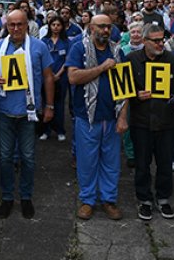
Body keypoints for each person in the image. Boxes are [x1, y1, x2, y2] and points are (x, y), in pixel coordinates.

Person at [0, 10, 55, 219]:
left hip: (29, 112)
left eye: (20, 24)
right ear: (6, 26)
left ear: (27, 24)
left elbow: (48, 77)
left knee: (28, 157)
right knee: (5, 157)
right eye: (12, 25)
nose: (16, 28)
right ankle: (8, 196)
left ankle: (26, 196)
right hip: (4, 110)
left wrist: (50, 106)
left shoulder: (39, 47)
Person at [66, 15, 129, 220]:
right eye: (102, 26)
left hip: (111, 116)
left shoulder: (118, 51)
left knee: (111, 162)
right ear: (92, 27)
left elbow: (126, 89)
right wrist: (102, 68)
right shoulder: (79, 48)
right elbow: (73, 77)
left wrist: (122, 117)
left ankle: (109, 200)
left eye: (109, 27)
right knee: (87, 161)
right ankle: (87, 200)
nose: (106, 30)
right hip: (87, 116)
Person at [128, 23, 174, 220]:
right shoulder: (131, 60)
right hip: (141, 121)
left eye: (162, 40)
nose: (160, 44)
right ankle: (144, 200)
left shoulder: (173, 60)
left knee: (165, 164)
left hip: (167, 121)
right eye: (155, 41)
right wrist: (135, 95)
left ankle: (163, 198)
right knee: (142, 163)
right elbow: (123, 88)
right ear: (144, 41)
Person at [40, 16, 69, 141]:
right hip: (46, 76)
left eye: (58, 25)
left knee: (59, 104)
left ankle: (60, 130)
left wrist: (58, 75)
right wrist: (50, 75)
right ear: (49, 26)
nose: (56, 27)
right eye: (53, 25)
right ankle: (46, 130)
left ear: (62, 27)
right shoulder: (44, 41)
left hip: (61, 77)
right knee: (46, 103)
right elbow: (41, 59)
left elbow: (68, 60)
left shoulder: (67, 42)